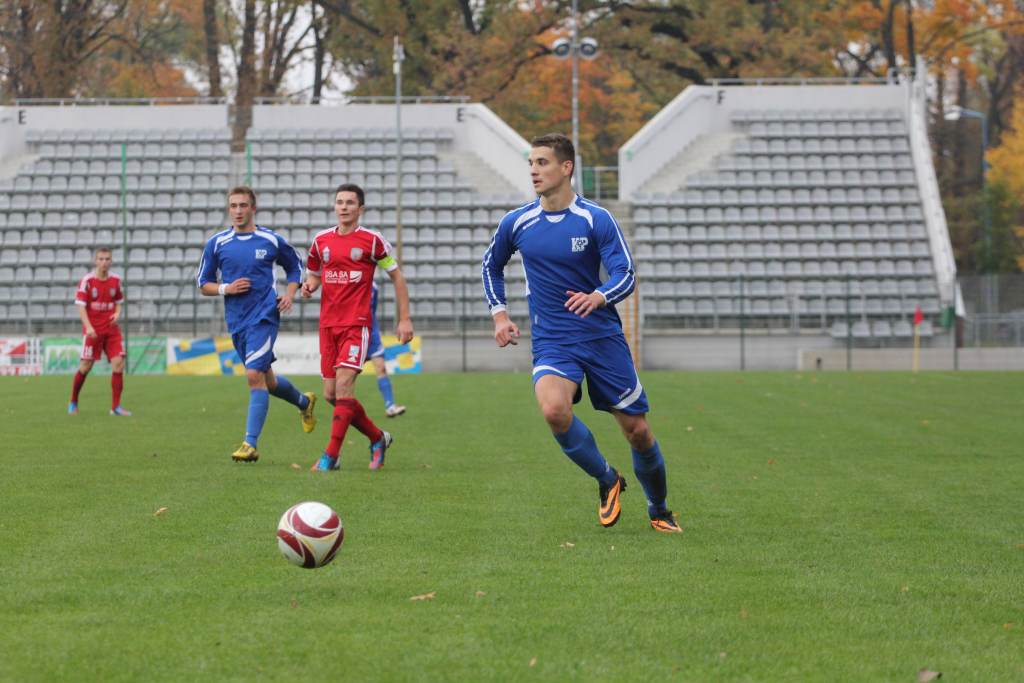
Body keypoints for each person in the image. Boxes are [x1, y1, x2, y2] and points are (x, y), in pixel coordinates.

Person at [481, 133, 681, 533]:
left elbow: (626, 274)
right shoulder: (517, 222)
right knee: (554, 410)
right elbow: (491, 266)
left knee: (638, 432)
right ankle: (607, 479)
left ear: (566, 167)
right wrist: (500, 316)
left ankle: (658, 508)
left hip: (602, 339)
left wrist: (599, 296)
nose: (534, 171)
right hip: (554, 340)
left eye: (542, 163)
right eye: (532, 163)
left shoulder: (595, 218)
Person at [196, 186, 318, 463]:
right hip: (237, 320)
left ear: (253, 208)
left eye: (243, 205)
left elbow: (295, 266)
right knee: (268, 381)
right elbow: (203, 284)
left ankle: (250, 444)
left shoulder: (270, 240)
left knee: (253, 376)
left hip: (264, 316)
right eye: (233, 206)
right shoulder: (217, 243)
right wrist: (227, 288)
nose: (238, 211)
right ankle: (304, 402)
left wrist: (289, 295)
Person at [301, 183, 413, 472]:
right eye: (340, 202)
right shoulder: (321, 241)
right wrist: (309, 286)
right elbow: (314, 274)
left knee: (345, 387)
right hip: (328, 326)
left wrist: (404, 319)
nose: (344, 207)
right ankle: (378, 438)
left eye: (350, 202)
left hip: (357, 324)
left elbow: (397, 277)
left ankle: (330, 457)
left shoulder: (372, 241)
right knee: (332, 395)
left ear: (360, 208)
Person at [69, 247, 132, 416]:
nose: (104, 262)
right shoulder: (87, 281)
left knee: (118, 363)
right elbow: (81, 307)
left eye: (107, 259)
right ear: (95, 261)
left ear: (111, 261)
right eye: (101, 259)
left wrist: (117, 313)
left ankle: (116, 407)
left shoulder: (116, 280)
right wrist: (88, 327)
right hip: (93, 331)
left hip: (111, 330)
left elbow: (119, 301)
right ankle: (73, 401)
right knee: (85, 366)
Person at [367, 281, 407, 417]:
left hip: (372, 334)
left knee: (381, 368)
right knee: (347, 376)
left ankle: (390, 406)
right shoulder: (351, 281)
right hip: (354, 334)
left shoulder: (373, 287)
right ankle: (345, 409)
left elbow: (372, 309)